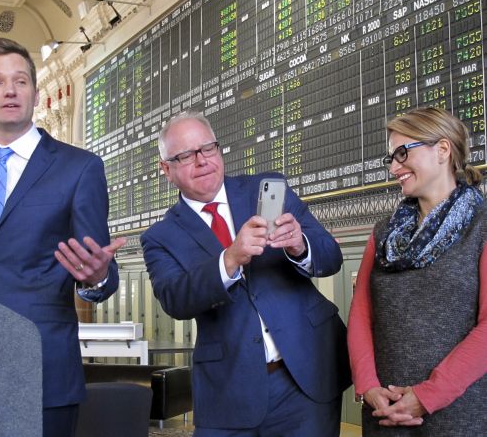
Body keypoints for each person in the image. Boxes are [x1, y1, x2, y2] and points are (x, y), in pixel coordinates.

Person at [0, 38, 125, 437]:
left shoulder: (78, 168)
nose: (9, 90)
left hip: (44, 367)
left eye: (20, 81)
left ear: (34, 92)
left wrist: (96, 277)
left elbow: (101, 268)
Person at [141, 111, 350, 436]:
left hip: (307, 376)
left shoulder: (267, 189)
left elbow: (331, 256)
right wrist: (229, 260)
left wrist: (299, 245)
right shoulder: (160, 236)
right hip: (229, 390)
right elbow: (175, 299)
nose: (202, 161)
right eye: (185, 156)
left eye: (207, 148)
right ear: (166, 169)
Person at [347, 107, 487, 436]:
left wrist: (426, 396)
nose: (395, 167)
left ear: (442, 150)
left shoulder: (482, 227)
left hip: (458, 416)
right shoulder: (382, 234)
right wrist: (367, 386)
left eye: (402, 153)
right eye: (391, 158)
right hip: (384, 412)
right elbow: (360, 315)